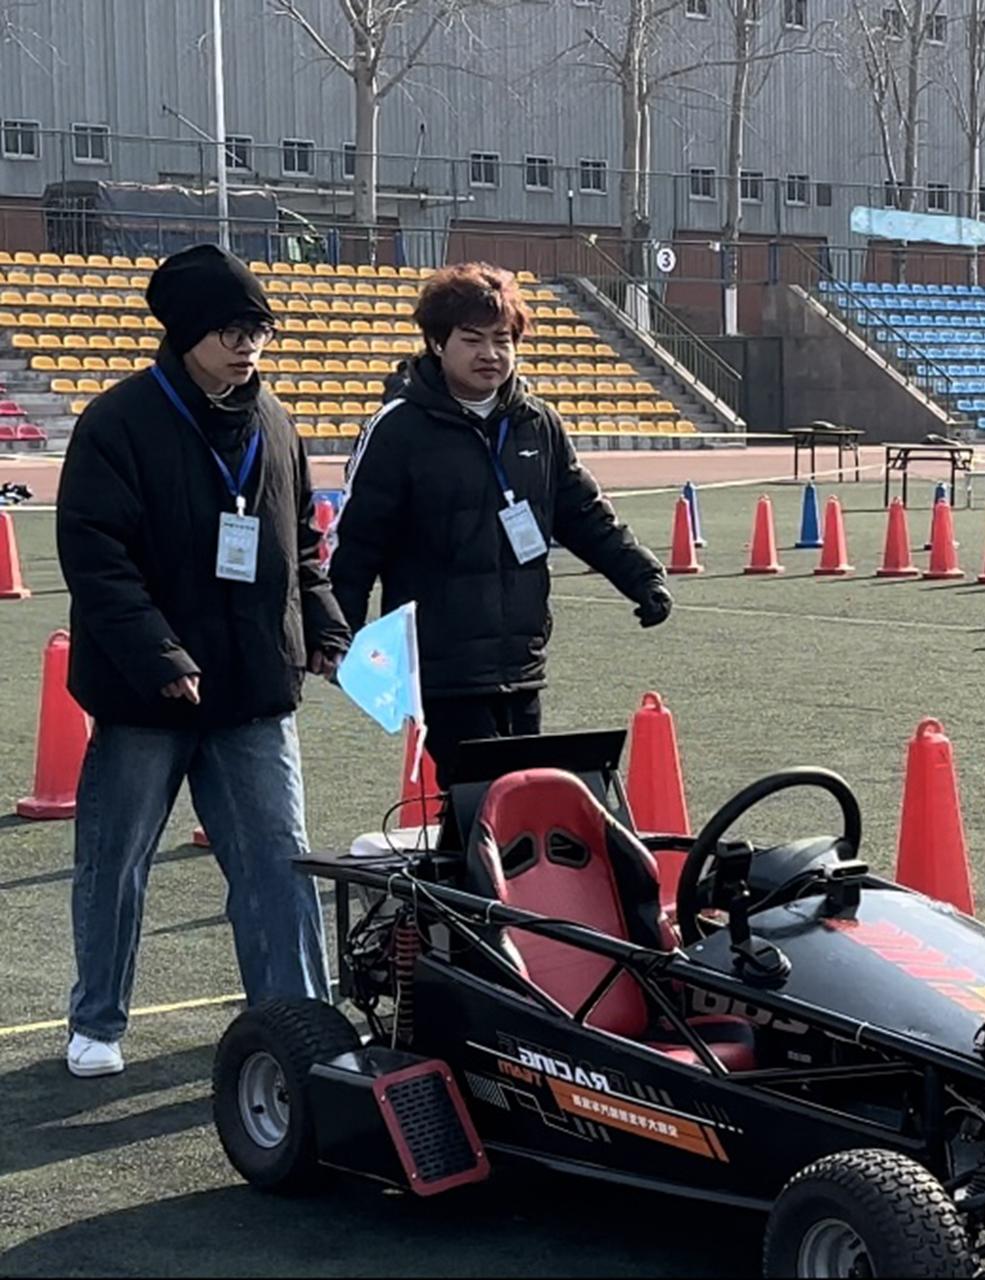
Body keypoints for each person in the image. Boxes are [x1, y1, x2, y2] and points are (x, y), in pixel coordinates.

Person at [54, 245, 347, 1078]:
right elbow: (96, 557)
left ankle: (296, 1024)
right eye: (230, 330)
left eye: (259, 328)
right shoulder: (116, 423)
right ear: (186, 333)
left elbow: (303, 543)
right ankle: (97, 1021)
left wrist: (321, 624)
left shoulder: (276, 421)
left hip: (254, 689)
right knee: (115, 863)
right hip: (147, 697)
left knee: (279, 863)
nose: (248, 344)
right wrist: (159, 654)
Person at [327, 263, 673, 780]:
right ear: (437, 343)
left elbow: (583, 513)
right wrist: (338, 634)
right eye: (473, 340)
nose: (490, 353)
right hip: (441, 666)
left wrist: (641, 577)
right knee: (483, 794)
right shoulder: (398, 430)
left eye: (502, 340)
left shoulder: (538, 422)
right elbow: (357, 543)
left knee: (516, 799)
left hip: (521, 659)